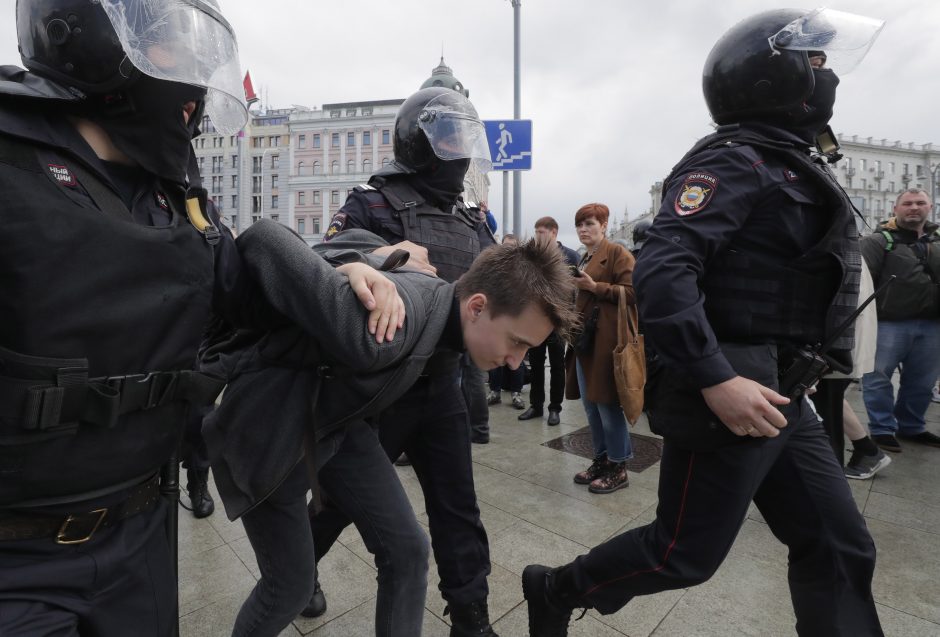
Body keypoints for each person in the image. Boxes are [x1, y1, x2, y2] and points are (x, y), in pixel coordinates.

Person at [522, 9, 886, 636]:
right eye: (816, 61)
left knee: (839, 544)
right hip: (731, 392)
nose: (826, 76)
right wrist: (717, 378)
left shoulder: (790, 161)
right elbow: (664, 273)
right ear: (776, 77)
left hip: (785, 393)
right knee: (682, 554)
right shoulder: (733, 162)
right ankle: (555, 589)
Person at [0, 0, 275, 634]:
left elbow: (247, 292)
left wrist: (353, 266)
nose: (193, 85)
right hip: (16, 560)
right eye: (167, 45)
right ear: (83, 30)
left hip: (143, 532)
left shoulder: (174, 188)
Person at [203, 223, 576, 637]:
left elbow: (358, 246)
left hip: (334, 422)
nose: (515, 363)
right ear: (476, 307)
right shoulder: (387, 331)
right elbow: (264, 239)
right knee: (288, 589)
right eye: (518, 342)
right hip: (269, 434)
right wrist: (353, 266)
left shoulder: (440, 300)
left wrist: (370, 258)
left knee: (407, 551)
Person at [312, 86, 501, 636]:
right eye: (446, 135)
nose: (457, 148)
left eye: (463, 137)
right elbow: (324, 262)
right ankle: (296, 573)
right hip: (377, 389)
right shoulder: (372, 203)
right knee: (337, 507)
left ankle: (470, 615)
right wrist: (376, 256)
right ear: (418, 140)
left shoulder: (470, 221)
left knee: (457, 507)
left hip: (442, 386)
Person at [860, 188, 940, 452]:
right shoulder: (879, 240)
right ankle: (882, 429)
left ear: (930, 207)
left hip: (932, 325)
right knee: (878, 377)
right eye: (907, 203)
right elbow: (861, 283)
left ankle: (912, 426)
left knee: (923, 382)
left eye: (920, 203)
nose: (914, 207)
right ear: (896, 209)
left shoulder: (936, 241)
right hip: (888, 323)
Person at [564, 204, 636, 494]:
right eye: (580, 225)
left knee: (607, 405)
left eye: (589, 224)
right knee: (591, 407)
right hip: (584, 343)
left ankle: (619, 467)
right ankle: (601, 459)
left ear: (604, 225)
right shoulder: (584, 257)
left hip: (606, 343)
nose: (583, 230)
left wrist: (596, 287)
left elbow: (633, 293)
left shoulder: (618, 253)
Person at [519, 216, 581, 426]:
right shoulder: (533, 255)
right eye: (536, 233)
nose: (538, 237)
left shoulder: (570, 256)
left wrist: (568, 319)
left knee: (557, 366)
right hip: (535, 320)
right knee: (535, 364)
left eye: (541, 233)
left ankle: (555, 408)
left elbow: (575, 290)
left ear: (553, 232)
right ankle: (536, 406)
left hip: (558, 321)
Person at [487, 234, 527, 410]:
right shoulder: (494, 267)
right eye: (506, 246)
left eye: (512, 246)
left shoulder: (523, 269)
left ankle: (516, 394)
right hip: (496, 319)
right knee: (495, 358)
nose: (508, 249)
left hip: (517, 321)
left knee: (515, 358)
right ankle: (494, 392)